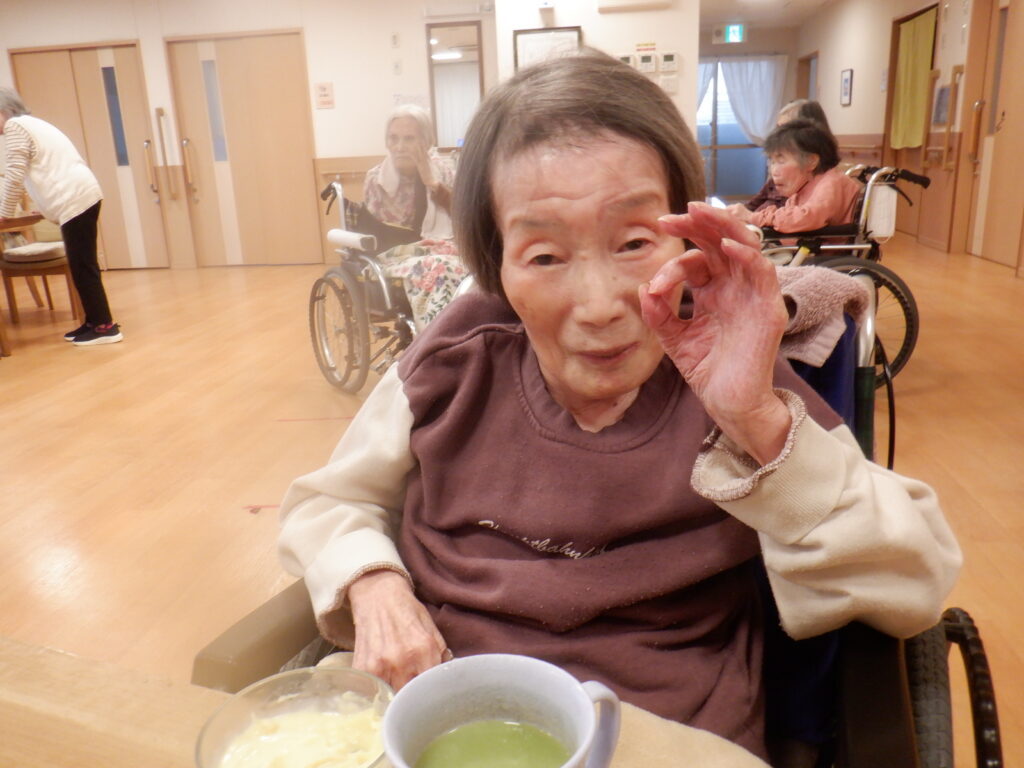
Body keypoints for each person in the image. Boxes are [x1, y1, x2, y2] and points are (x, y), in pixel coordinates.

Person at [278, 52, 960, 762]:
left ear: (686, 238)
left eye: (634, 242)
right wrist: (374, 584)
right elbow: (329, 502)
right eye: (544, 256)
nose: (600, 305)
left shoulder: (735, 371)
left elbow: (911, 582)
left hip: (664, 734)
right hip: (440, 709)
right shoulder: (456, 360)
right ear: (497, 266)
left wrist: (755, 419)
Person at [0, 87, 122, 346]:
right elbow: (43, 171)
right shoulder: (32, 124)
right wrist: (45, 209)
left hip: (75, 198)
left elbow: (15, 173)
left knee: (83, 266)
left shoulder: (15, 127)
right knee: (82, 265)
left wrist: (3, 213)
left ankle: (105, 327)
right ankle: (93, 322)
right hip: (81, 195)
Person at [359, 104, 466, 329]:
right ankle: (436, 339)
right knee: (441, 268)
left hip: (443, 248)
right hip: (394, 255)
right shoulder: (377, 180)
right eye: (393, 138)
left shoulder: (443, 171)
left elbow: (464, 216)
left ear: (426, 142)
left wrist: (432, 184)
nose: (399, 147)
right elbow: (376, 235)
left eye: (409, 139)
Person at [730, 119, 861, 233]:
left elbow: (805, 218)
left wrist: (751, 217)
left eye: (781, 161)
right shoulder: (803, 188)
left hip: (817, 251)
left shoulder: (831, 182)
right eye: (772, 161)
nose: (773, 171)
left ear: (811, 161)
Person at [743, 99, 832, 214]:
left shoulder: (819, 185)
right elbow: (750, 206)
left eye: (785, 128)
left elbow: (792, 218)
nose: (779, 134)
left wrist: (751, 218)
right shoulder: (780, 176)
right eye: (778, 128)